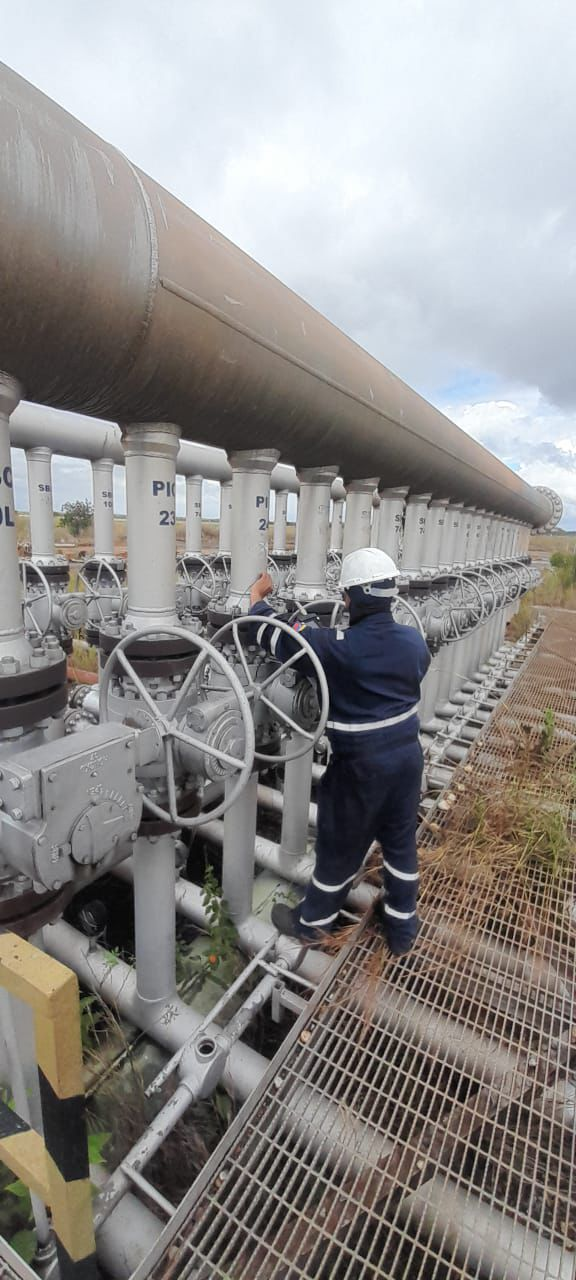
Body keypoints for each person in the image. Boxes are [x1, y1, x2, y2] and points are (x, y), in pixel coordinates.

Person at [249, 546, 431, 955]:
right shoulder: (412, 641)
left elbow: (279, 638)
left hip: (360, 768)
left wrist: (257, 603)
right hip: (407, 760)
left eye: (346, 595)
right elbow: (413, 668)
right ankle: (403, 930)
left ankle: (312, 926)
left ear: (352, 598)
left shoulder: (335, 647)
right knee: (400, 842)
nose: (344, 602)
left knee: (339, 847)